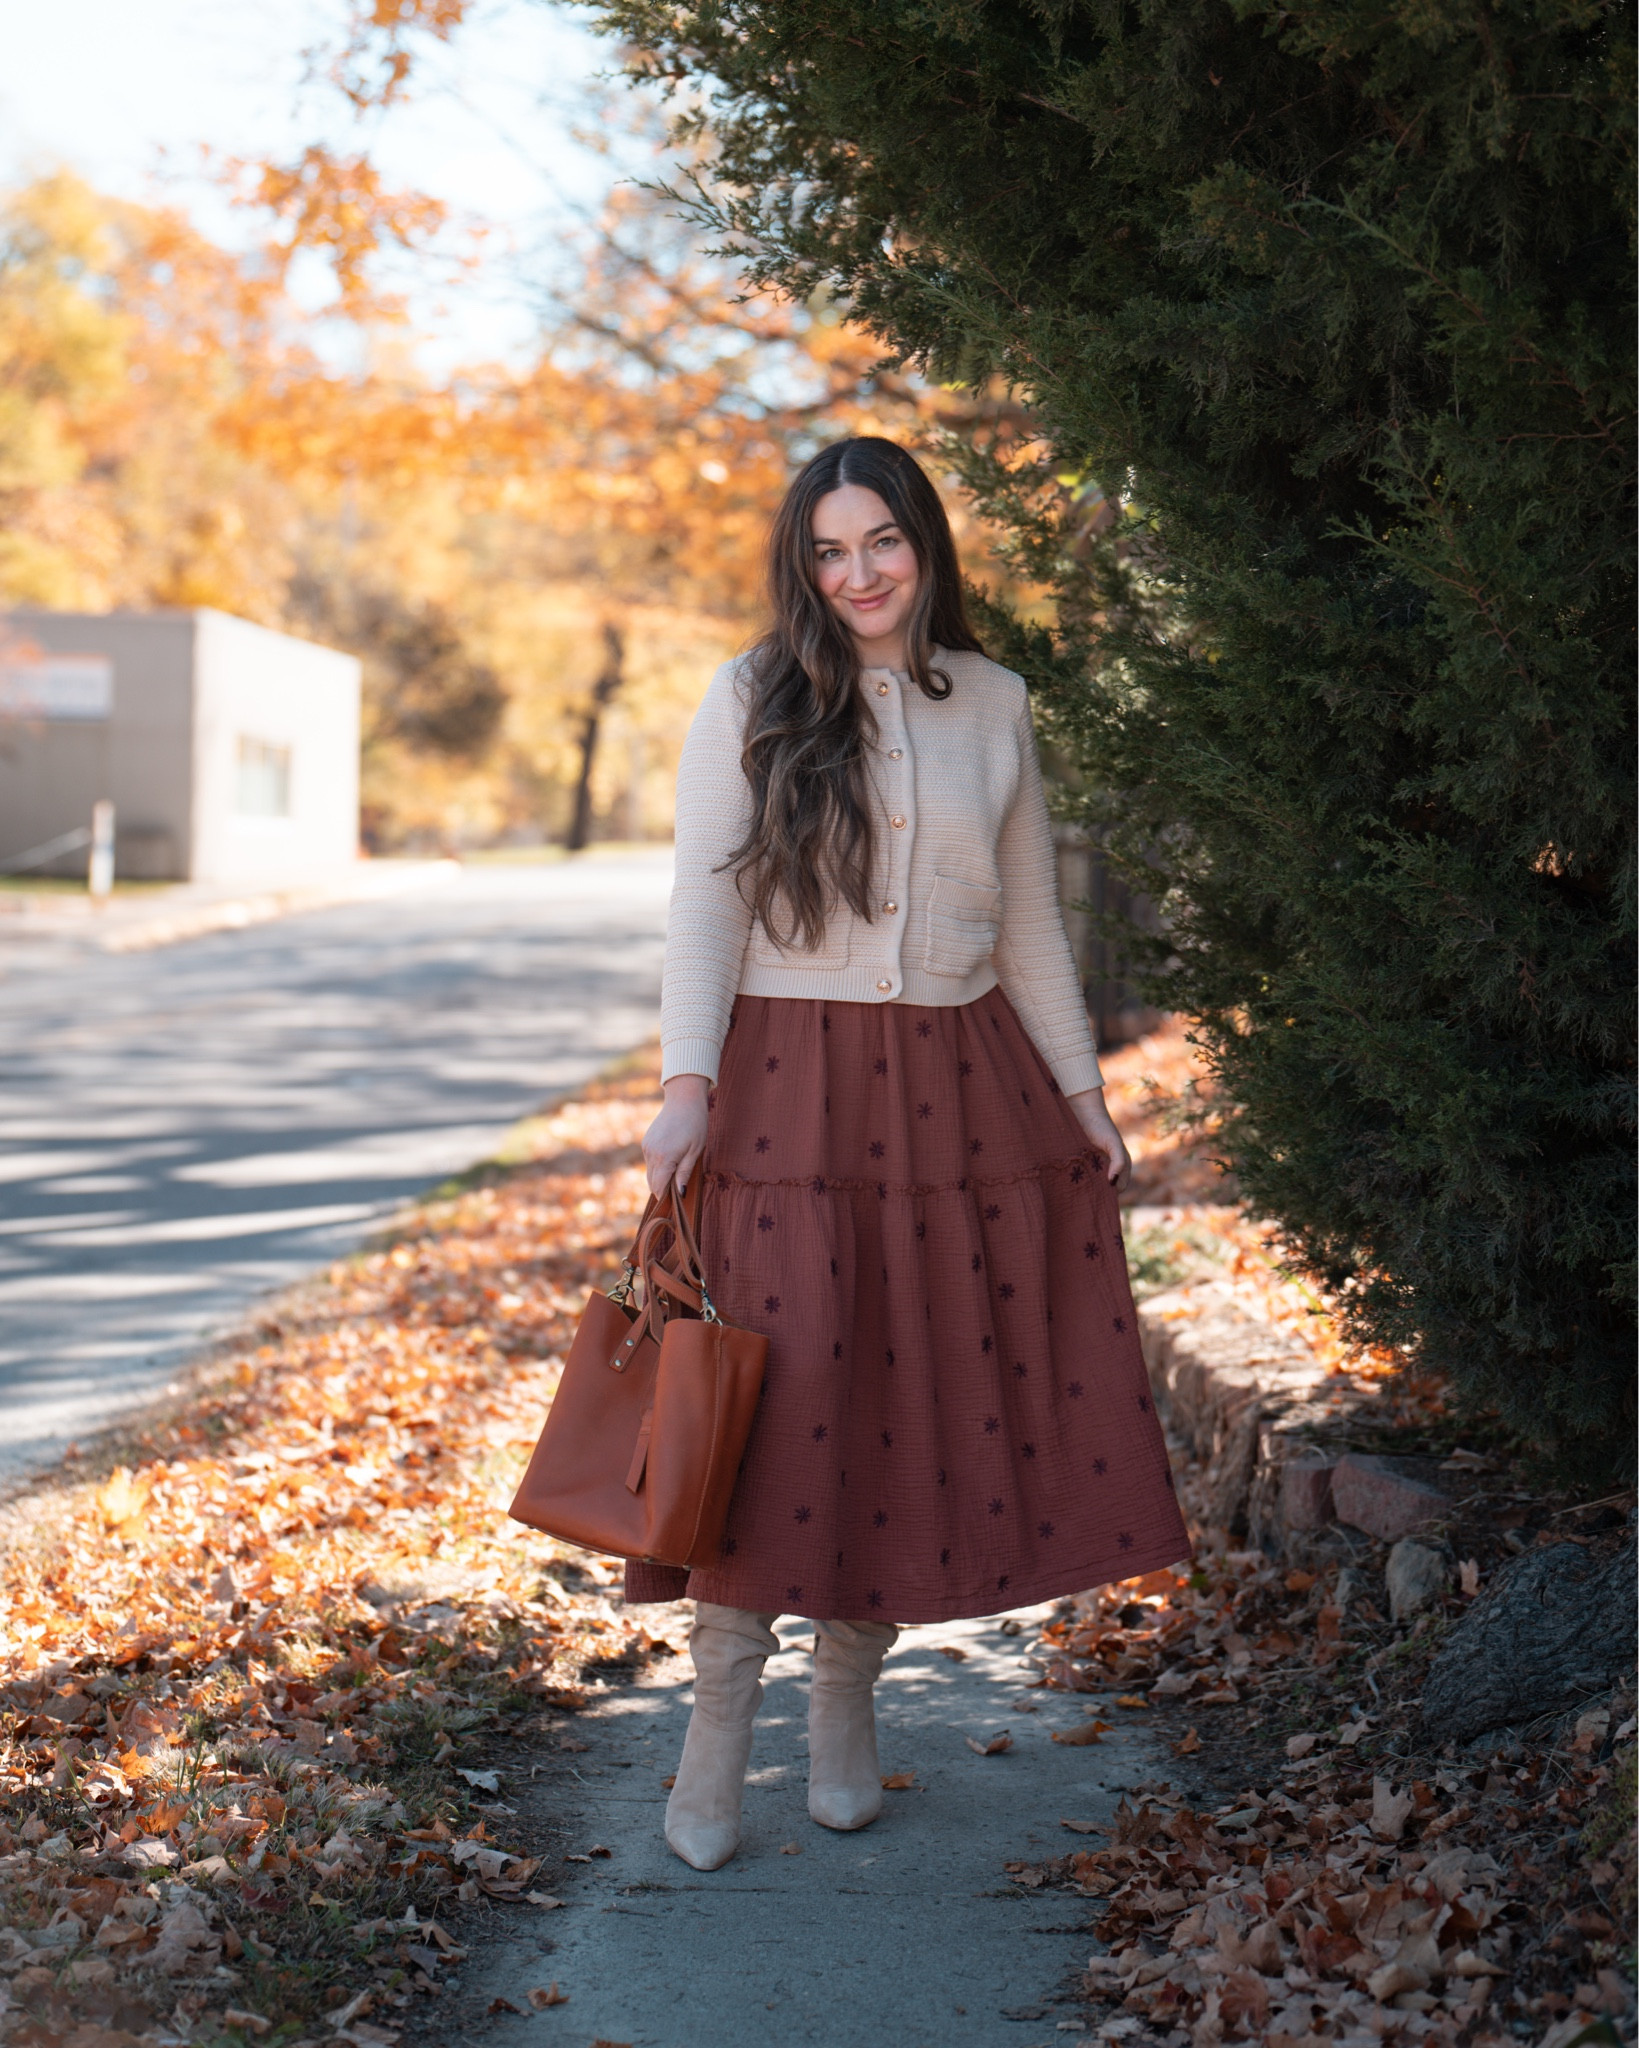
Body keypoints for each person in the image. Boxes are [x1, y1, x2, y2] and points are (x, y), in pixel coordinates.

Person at [630, 436, 1189, 1871]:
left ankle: (844, 1705)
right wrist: (687, 1088)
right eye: (829, 550)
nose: (858, 573)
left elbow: (1032, 918)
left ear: (925, 544)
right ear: (803, 565)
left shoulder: (995, 701)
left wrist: (1083, 1096)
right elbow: (703, 907)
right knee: (773, 1401)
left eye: (881, 541)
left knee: (889, 1395)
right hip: (786, 1089)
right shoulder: (751, 693)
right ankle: (716, 1726)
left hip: (956, 1089)